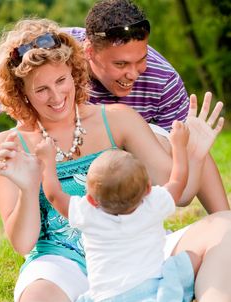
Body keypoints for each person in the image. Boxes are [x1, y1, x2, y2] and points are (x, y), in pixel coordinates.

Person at [0, 17, 231, 302]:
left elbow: (176, 191)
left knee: (225, 225)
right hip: (63, 263)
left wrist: (191, 154)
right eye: (41, 89)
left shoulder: (116, 119)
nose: (56, 96)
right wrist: (26, 186)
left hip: (138, 245)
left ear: (75, 73)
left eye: (62, 80)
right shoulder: (9, 146)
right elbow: (23, 243)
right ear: (21, 93)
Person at [35, 122, 202, 302]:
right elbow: (178, 180)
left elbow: (54, 195)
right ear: (149, 189)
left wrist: (48, 160)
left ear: (91, 200)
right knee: (191, 257)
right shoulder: (153, 204)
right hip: (151, 296)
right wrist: (178, 145)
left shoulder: (88, 214)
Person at [64, 0, 229, 214]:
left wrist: (224, 219)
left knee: (173, 139)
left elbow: (189, 156)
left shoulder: (163, 80)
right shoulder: (57, 53)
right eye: (120, 64)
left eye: (141, 59)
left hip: (121, 166)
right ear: (89, 51)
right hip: (64, 154)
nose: (133, 74)